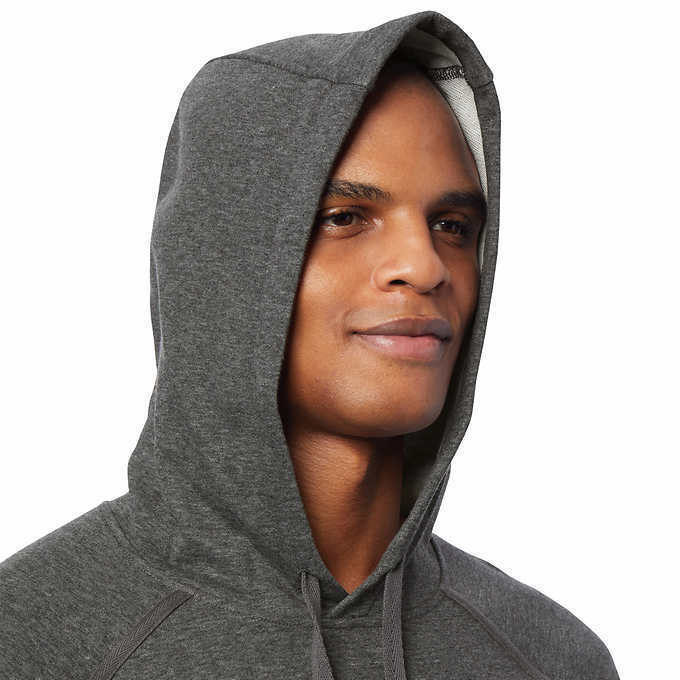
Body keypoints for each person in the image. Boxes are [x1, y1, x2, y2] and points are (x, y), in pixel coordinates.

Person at [0, 9, 620, 679]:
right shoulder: (31, 640)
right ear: (219, 262)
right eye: (344, 217)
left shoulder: (552, 658)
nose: (424, 265)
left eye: (451, 225)